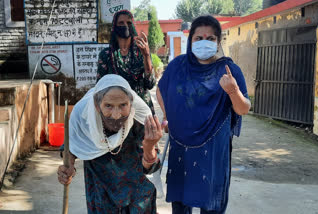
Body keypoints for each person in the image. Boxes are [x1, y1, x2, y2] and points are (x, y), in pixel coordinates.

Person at [156, 16, 251, 214]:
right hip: (180, 145)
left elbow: (243, 109)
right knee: (181, 202)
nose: (204, 42)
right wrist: (167, 116)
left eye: (210, 38)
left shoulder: (229, 70)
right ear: (190, 41)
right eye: (198, 38)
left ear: (218, 42)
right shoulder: (178, 66)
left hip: (214, 146)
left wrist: (233, 91)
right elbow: (161, 89)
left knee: (211, 201)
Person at [57, 74, 165, 213]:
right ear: (97, 105)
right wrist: (69, 166)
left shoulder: (141, 118)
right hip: (101, 195)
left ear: (131, 103)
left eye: (123, 105)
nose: (116, 115)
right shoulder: (84, 117)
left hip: (137, 198)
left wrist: (149, 147)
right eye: (108, 106)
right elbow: (71, 145)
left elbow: (150, 169)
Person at [97, 10, 155, 113]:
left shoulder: (141, 50)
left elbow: (150, 84)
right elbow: (100, 87)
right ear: (115, 26)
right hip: (117, 112)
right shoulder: (106, 55)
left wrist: (146, 56)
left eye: (128, 23)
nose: (125, 26)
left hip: (141, 109)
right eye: (121, 23)